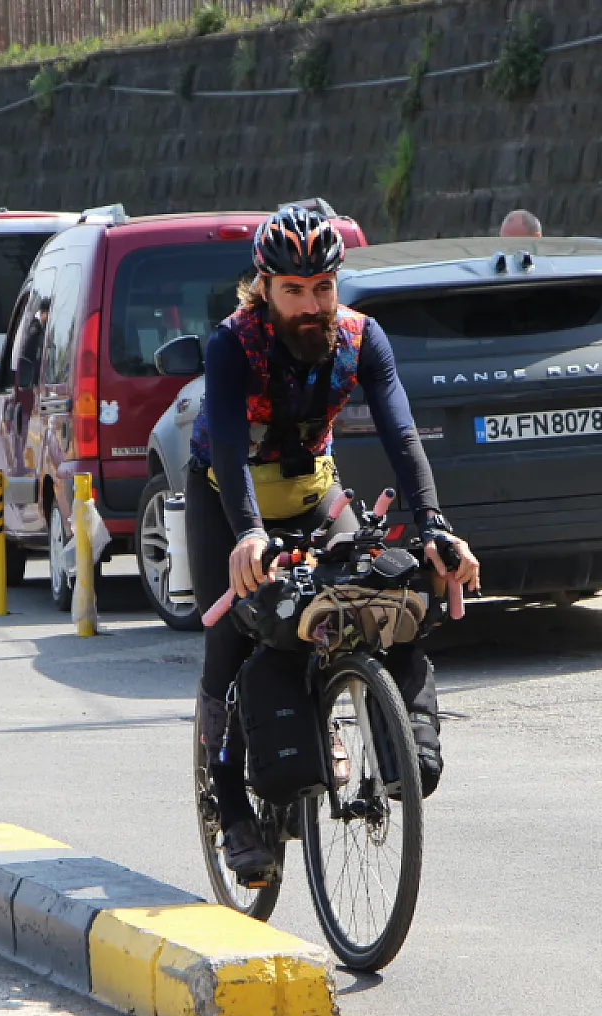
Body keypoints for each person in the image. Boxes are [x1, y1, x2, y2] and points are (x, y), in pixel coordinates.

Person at [188, 205, 480, 880]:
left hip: (316, 492)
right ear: (264, 286)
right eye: (294, 290)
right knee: (234, 634)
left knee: (367, 592)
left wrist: (435, 524)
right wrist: (250, 535)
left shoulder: (360, 338)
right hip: (228, 498)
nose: (311, 304)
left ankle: (361, 725)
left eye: (323, 286)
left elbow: (402, 437)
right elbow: (229, 452)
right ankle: (230, 802)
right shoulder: (233, 345)